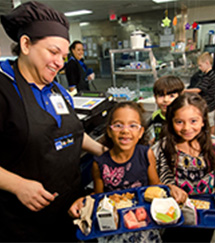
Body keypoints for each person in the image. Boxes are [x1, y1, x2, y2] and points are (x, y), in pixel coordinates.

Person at [0, 2, 106, 242]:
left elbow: (72, 133)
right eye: (53, 52)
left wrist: (105, 150)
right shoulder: (4, 89)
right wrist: (17, 185)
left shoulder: (57, 90)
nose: (60, 63)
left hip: (70, 207)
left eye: (64, 56)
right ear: (26, 44)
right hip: (23, 221)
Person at [91, 101, 187, 243]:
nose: (125, 131)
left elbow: (156, 186)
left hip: (143, 221)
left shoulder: (146, 154)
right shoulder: (99, 163)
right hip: (114, 225)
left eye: (133, 125)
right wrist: (85, 202)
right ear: (109, 131)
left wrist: (171, 188)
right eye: (118, 125)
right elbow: (99, 197)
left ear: (141, 132)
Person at [151, 92, 215, 242]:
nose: (187, 128)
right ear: (171, 122)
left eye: (193, 121)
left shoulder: (212, 145)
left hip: (206, 217)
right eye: (179, 122)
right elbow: (150, 178)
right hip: (173, 216)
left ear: (203, 121)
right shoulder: (162, 147)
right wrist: (166, 186)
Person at [146, 75, 184, 144]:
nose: (166, 100)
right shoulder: (155, 116)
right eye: (161, 96)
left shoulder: (182, 117)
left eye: (171, 96)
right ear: (155, 97)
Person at [184, 52, 215, 134]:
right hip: (211, 103)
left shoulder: (208, 76)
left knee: (210, 123)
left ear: (207, 63)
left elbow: (199, 89)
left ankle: (211, 138)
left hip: (209, 104)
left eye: (200, 65)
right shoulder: (211, 75)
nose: (199, 68)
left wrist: (184, 91)